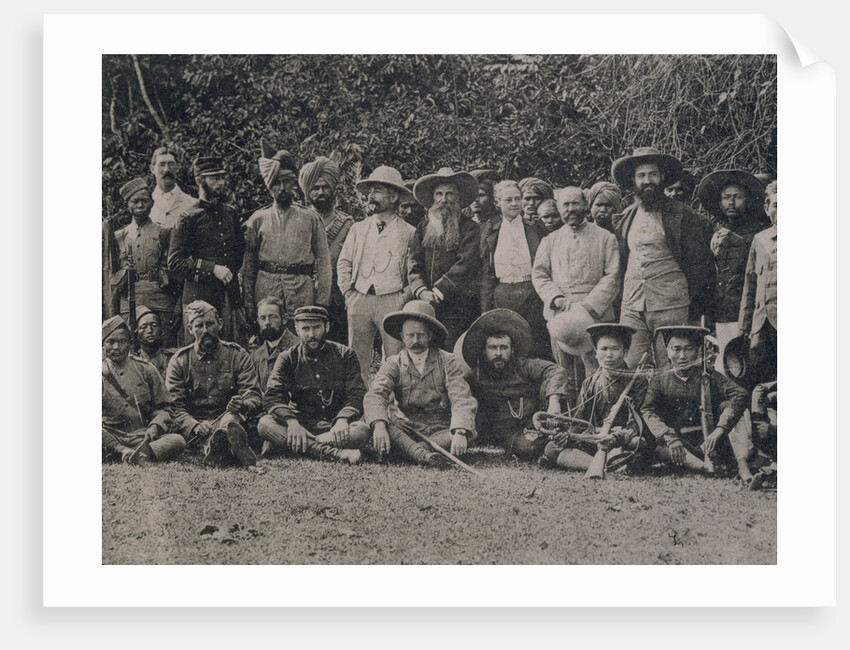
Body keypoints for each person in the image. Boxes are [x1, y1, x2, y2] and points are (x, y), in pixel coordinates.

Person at [610, 147, 716, 370]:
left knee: (671, 366)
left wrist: (689, 302)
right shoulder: (626, 216)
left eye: (652, 175)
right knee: (628, 364)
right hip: (632, 304)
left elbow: (699, 265)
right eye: (641, 176)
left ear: (662, 178)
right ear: (633, 180)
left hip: (670, 304)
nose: (647, 181)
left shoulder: (682, 215)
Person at [532, 186, 620, 404]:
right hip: (560, 315)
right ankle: (568, 420)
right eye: (565, 204)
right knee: (564, 373)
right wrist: (554, 297)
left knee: (597, 372)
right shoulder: (549, 240)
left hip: (595, 315)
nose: (570, 209)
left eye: (575, 203)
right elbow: (539, 274)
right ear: (559, 207)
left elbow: (613, 275)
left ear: (585, 205)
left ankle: (597, 419)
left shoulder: (605, 238)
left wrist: (589, 306)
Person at [363, 301, 477, 467]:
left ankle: (409, 452)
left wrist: (459, 431)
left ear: (430, 335)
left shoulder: (447, 360)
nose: (415, 340)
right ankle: (424, 454)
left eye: (421, 335)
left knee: (466, 434)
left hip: (441, 429)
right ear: (402, 336)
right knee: (384, 425)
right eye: (410, 335)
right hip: (408, 429)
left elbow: (461, 396)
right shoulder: (393, 363)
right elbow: (376, 394)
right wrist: (379, 425)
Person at [257, 305, 369, 464]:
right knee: (265, 424)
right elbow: (273, 396)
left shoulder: (345, 354)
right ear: (296, 329)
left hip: (333, 426)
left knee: (361, 431)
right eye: (305, 329)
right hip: (301, 425)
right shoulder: (287, 357)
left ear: (327, 327)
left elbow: (357, 393)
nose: (311, 334)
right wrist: (291, 422)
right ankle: (336, 454)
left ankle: (297, 444)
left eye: (317, 328)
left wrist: (343, 420)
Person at [337, 165, 416, 387]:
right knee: (356, 357)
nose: (370, 197)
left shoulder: (409, 232)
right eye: (369, 191)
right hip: (359, 298)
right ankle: (358, 406)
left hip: (393, 299)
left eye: (377, 191)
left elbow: (415, 270)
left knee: (394, 357)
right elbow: (344, 262)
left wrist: (403, 297)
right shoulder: (358, 229)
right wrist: (349, 292)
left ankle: (391, 406)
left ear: (393, 196)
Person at [641, 325, 751, 479]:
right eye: (676, 349)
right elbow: (648, 411)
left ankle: (742, 465)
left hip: (709, 441)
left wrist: (720, 429)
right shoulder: (659, 380)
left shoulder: (709, 375)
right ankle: (700, 467)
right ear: (667, 351)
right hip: (678, 444)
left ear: (698, 351)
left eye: (689, 349)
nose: (682, 356)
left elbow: (740, 394)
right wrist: (669, 437)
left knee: (732, 408)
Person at [241, 142, 332, 326]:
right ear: (269, 186)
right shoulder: (257, 219)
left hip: (301, 291)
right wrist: (249, 302)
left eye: (286, 182)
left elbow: (324, 263)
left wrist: (321, 302)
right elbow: (248, 265)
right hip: (266, 290)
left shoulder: (310, 218)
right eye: (276, 183)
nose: (281, 188)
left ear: (293, 183)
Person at [541, 323, 652, 470]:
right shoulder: (590, 383)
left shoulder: (637, 381)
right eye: (604, 349)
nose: (609, 355)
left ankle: (604, 462)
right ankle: (604, 465)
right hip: (594, 440)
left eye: (615, 349)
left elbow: (637, 422)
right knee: (551, 447)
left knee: (638, 443)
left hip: (621, 439)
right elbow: (580, 423)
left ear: (625, 352)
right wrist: (567, 435)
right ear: (596, 352)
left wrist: (617, 437)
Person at [460, 309, 567, 461]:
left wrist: (554, 402)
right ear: (484, 351)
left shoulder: (524, 365)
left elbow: (556, 370)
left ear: (512, 350)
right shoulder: (475, 375)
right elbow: (458, 392)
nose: (498, 353)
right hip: (509, 433)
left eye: (504, 347)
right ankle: (552, 449)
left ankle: (556, 442)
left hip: (538, 421)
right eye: (493, 348)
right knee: (527, 447)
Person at [165, 301, 262, 467]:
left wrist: (242, 404)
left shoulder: (237, 355)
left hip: (229, 418)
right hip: (196, 426)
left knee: (230, 421)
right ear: (190, 329)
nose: (205, 331)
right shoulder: (180, 361)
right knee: (208, 433)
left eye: (210, 324)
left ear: (220, 324)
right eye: (199, 326)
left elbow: (254, 395)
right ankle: (224, 448)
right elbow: (174, 406)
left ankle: (220, 443)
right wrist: (194, 425)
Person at [168, 156, 247, 344]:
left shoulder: (230, 213)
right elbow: (175, 262)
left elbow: (239, 253)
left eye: (222, 178)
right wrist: (212, 269)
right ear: (199, 180)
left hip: (229, 298)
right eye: (214, 179)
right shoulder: (188, 217)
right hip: (199, 299)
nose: (220, 183)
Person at [697, 170, 766, 374]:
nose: (731, 203)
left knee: (749, 364)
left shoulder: (759, 235)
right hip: (721, 311)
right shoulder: (717, 236)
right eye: (726, 198)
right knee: (727, 364)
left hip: (749, 313)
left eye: (737, 197)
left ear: (748, 201)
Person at [409, 167, 482, 348]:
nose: (444, 199)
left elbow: (466, 264)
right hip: (426, 303)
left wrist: (439, 291)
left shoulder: (470, 228)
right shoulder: (424, 226)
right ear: (433, 198)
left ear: (458, 197)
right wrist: (421, 290)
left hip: (457, 308)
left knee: (452, 355)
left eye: (449, 194)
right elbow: (413, 260)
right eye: (439, 194)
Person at [480, 180, 550, 360]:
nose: (514, 204)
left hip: (531, 295)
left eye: (517, 199)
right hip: (502, 295)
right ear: (498, 203)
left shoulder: (535, 228)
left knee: (533, 344)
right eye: (508, 200)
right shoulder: (490, 230)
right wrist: (486, 307)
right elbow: (487, 273)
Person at [102, 316, 185, 464]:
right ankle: (123, 451)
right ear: (103, 344)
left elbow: (165, 406)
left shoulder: (146, 369)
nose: (116, 347)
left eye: (122, 342)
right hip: (110, 434)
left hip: (141, 436)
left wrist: (155, 426)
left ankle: (136, 453)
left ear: (130, 343)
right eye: (110, 342)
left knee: (177, 440)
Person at [111, 177, 180, 347]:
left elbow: (177, 273)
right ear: (128, 205)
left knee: (165, 349)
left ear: (152, 202)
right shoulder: (119, 236)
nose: (140, 205)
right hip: (130, 302)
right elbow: (111, 278)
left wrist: (177, 305)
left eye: (145, 201)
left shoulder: (164, 232)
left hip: (161, 300)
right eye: (135, 201)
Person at [298, 155, 353, 343]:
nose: (320, 192)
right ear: (307, 192)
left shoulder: (347, 225)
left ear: (333, 189)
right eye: (315, 188)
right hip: (302, 298)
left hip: (336, 305)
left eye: (325, 187)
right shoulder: (298, 222)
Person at [738, 180, 777, 385]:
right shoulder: (760, 239)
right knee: (760, 377)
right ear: (766, 208)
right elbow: (750, 285)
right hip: (761, 324)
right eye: (776, 206)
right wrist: (745, 326)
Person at [249, 296, 298, 392]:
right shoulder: (256, 355)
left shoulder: (298, 348)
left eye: (272, 317)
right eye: (263, 318)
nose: (267, 322)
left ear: (284, 319)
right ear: (258, 321)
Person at [148, 147, 197, 229]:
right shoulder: (144, 204)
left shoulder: (192, 204)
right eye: (162, 164)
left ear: (177, 168)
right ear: (152, 169)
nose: (167, 169)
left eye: (171, 164)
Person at [134, 305, 175, 377]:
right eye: (144, 327)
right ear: (137, 332)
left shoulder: (172, 358)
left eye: (154, 325)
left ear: (161, 329)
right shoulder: (133, 361)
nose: (150, 330)